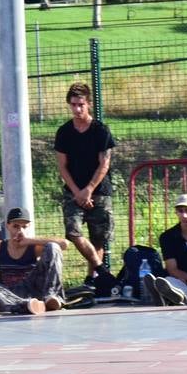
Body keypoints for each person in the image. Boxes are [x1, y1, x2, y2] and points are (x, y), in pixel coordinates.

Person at [54, 82, 117, 282]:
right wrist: (77, 192)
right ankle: (102, 271)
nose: (77, 109)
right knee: (73, 231)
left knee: (98, 238)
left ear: (88, 104)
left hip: (99, 190)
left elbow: (104, 163)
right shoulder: (64, 132)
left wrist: (88, 190)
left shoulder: (101, 131)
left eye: (81, 104)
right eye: (73, 104)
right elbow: (62, 166)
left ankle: (93, 279)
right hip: (73, 190)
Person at [0, 208, 67, 315]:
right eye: (15, 226)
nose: (20, 231)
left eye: (24, 227)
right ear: (7, 226)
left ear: (28, 226)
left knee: (53, 246)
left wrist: (28, 241)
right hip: (9, 293)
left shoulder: (33, 246)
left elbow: (64, 244)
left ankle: (50, 297)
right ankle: (26, 305)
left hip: (32, 288)